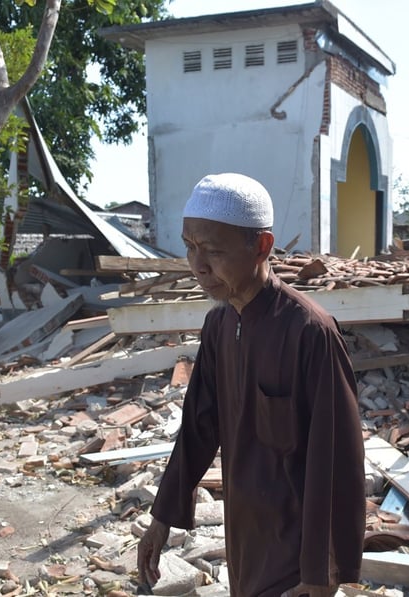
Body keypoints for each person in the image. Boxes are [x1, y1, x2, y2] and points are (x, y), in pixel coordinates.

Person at [137, 173, 366, 596]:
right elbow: (198, 428)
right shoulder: (219, 325)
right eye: (189, 247)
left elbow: (336, 460)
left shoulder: (309, 332)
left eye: (214, 251)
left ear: (261, 246)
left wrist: (323, 574)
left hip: (296, 555)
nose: (198, 265)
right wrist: (162, 516)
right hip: (244, 538)